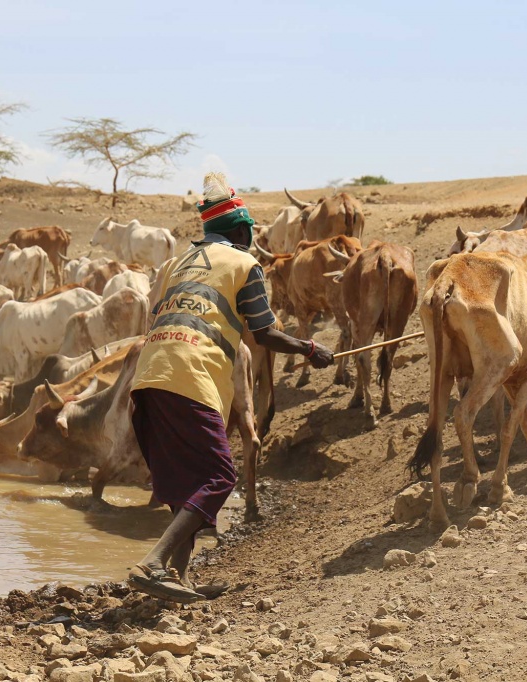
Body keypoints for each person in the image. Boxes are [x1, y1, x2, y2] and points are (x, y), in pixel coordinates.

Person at [128, 172, 334, 603]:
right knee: (220, 476)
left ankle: (176, 581)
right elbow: (265, 334)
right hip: (192, 376)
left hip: (148, 377)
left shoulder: (173, 264)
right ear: (241, 231)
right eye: (251, 230)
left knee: (184, 485)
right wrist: (310, 348)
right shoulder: (246, 264)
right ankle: (153, 564)